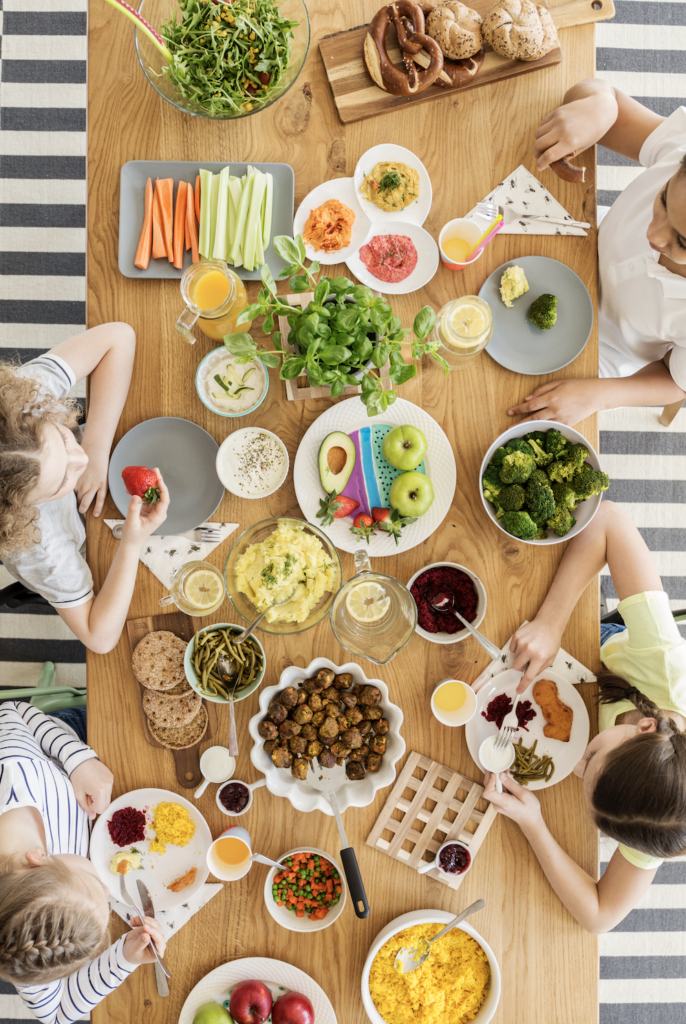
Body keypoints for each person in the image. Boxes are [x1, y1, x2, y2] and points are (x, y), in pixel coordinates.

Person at [484, 500, 686, 933]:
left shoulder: (659, 821)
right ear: (647, 726)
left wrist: (534, 823)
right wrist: (552, 623)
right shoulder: (667, 663)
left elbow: (600, 917)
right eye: (591, 757)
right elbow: (608, 519)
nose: (577, 762)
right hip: (606, 648)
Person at [507, 80, 686, 425]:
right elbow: (599, 99)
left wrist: (597, 395)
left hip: (600, 357)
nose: (654, 233)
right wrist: (601, 103)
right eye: (663, 200)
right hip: (574, 245)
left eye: (683, 241)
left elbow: (675, 380)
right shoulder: (680, 149)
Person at [0, 325, 170, 653]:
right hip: (85, 546)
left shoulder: (24, 405)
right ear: (24, 509)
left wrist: (96, 445)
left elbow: (120, 336)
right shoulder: (38, 549)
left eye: (63, 438)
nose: (79, 459)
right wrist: (133, 543)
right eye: (63, 480)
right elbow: (99, 638)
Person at [0, 699, 166, 1024]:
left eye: (93, 881)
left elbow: (14, 711)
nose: (107, 885)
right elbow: (57, 1015)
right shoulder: (24, 945)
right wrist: (124, 958)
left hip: (58, 742)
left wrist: (78, 761)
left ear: (38, 858)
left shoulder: (13, 766)